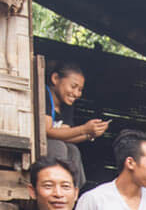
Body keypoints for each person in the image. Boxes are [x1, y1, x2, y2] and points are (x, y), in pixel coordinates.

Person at [43, 61, 107, 189]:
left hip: (56, 143)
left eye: (80, 90)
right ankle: (57, 185)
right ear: (55, 79)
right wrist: (84, 129)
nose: (77, 94)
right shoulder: (44, 94)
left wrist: (90, 134)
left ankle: (73, 191)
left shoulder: (66, 104)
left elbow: (66, 135)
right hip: (41, 145)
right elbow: (47, 131)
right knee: (58, 146)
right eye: (73, 86)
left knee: (73, 150)